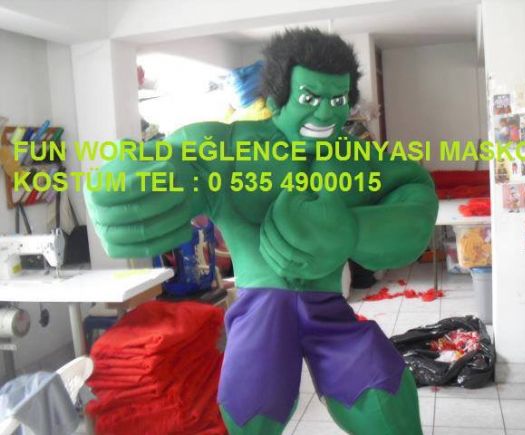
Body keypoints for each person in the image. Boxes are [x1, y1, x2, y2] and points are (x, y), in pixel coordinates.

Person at [84, 28, 438, 435]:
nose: (326, 114)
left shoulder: (354, 158)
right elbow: (179, 159)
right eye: (310, 99)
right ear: (275, 99)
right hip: (260, 310)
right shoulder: (231, 147)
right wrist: (139, 184)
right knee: (251, 404)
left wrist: (354, 229)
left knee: (382, 393)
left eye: (338, 100)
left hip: (328, 308)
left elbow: (414, 194)